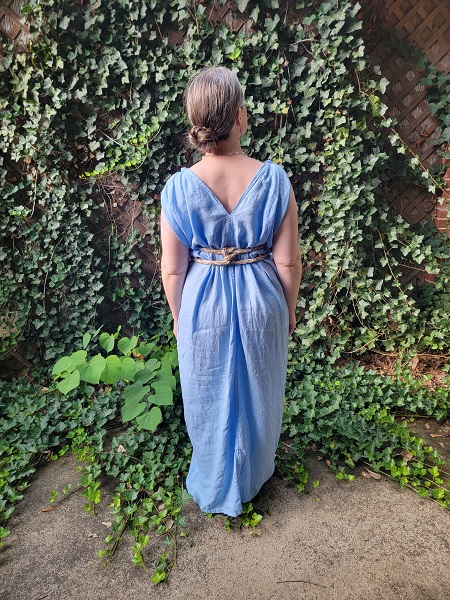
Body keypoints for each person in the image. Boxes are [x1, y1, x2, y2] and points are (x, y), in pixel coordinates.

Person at [160, 66, 302, 517]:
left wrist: (181, 315)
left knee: (206, 390)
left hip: (203, 301)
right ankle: (253, 474)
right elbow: (288, 261)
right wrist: (289, 308)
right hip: (262, 298)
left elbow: (172, 270)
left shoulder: (179, 188)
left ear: (195, 122)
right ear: (240, 118)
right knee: (260, 387)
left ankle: (216, 475)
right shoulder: (274, 180)